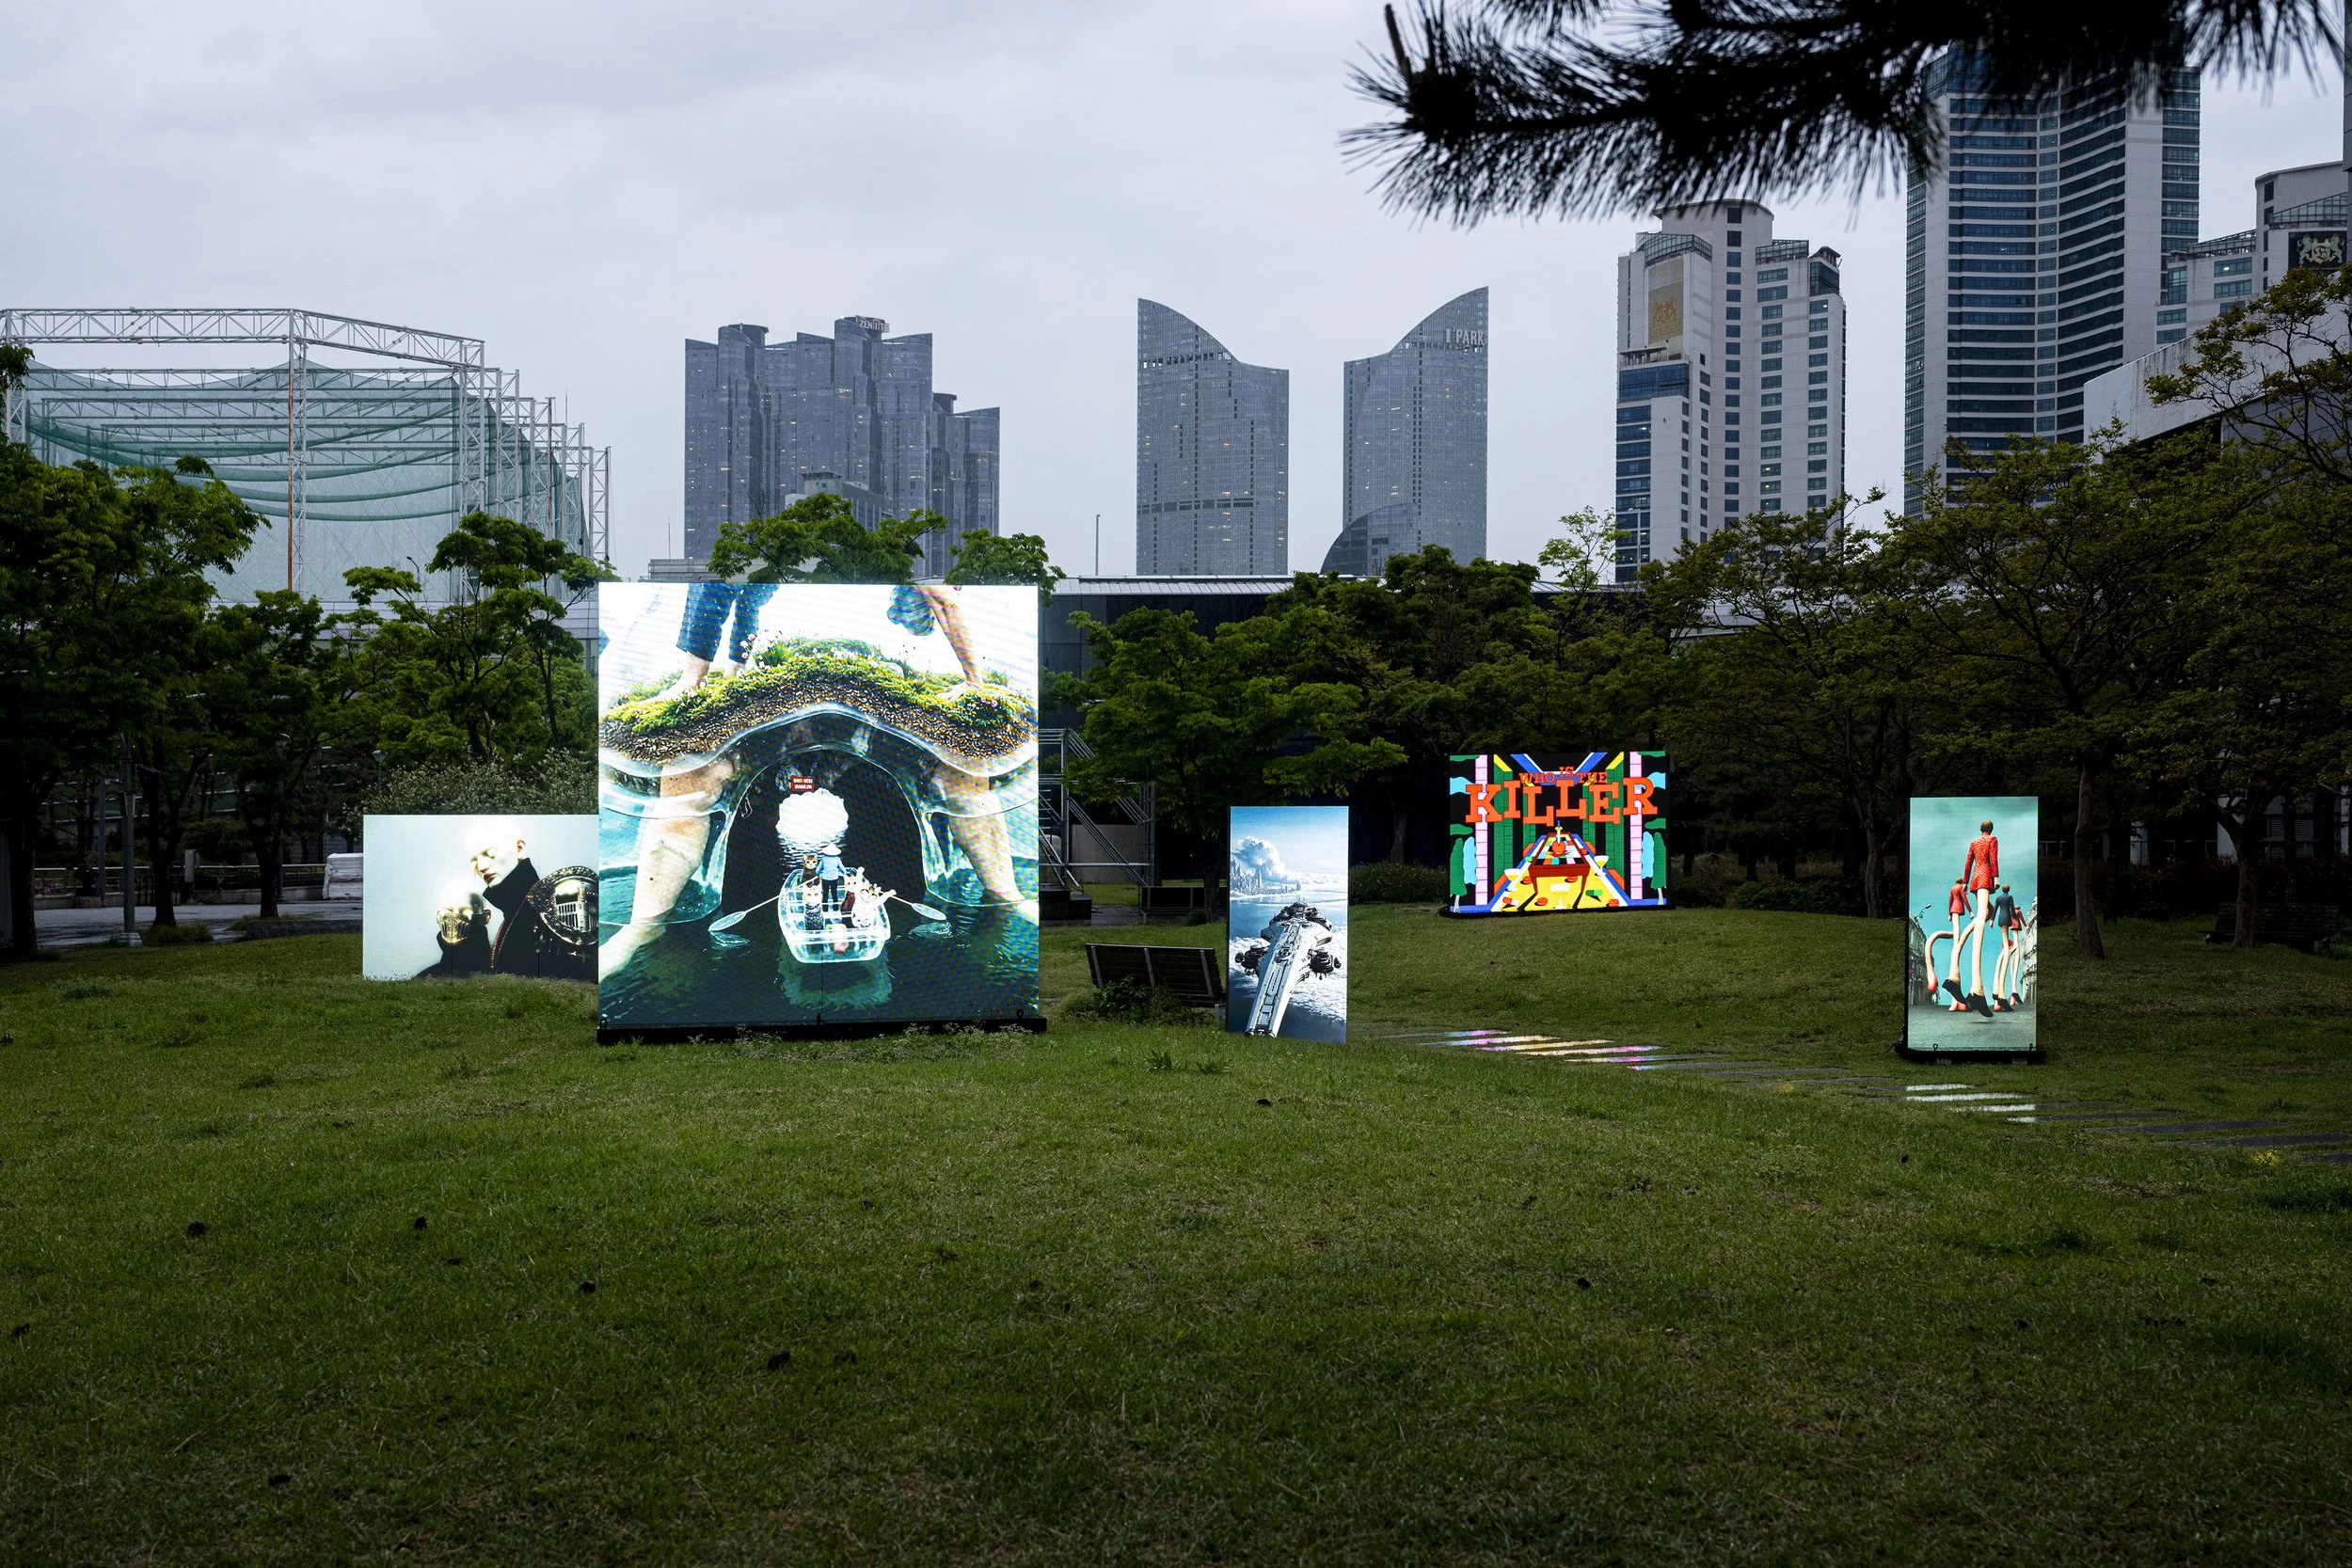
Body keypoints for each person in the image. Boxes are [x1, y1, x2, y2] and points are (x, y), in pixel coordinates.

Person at [1945, 817, 1998, 1015]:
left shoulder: (1974, 842)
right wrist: (1996, 877)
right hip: (1985, 877)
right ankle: (1976, 989)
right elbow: (1993, 859)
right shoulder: (1992, 839)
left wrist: (1966, 881)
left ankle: (1954, 975)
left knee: (1985, 914)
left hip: (1975, 879)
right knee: (1981, 925)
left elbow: (1968, 862)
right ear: (1990, 829)